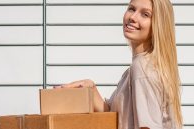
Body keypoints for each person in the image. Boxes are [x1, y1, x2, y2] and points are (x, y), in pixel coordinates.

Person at [54, 0, 182, 128]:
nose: (132, 17)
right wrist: (90, 89)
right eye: (132, 9)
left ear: (158, 25)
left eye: (145, 14)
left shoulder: (142, 68)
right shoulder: (142, 68)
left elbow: (147, 127)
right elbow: (118, 118)